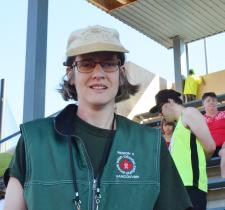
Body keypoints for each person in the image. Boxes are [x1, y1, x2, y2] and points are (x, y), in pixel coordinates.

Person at [3, 25, 192, 210]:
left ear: (121, 74)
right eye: (86, 64)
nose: (98, 73)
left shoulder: (150, 144)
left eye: (109, 64)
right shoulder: (33, 140)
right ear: (70, 74)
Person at [150, 89, 216, 210]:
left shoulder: (188, 113)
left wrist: (198, 162)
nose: (160, 114)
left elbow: (210, 146)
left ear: (170, 101)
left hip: (190, 188)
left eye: (160, 109)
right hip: (179, 189)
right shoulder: (179, 125)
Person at [202, 92, 225, 178]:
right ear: (203, 104)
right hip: (208, 149)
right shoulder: (200, 119)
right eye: (208, 101)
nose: (212, 102)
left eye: (214, 100)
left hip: (223, 147)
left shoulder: (224, 114)